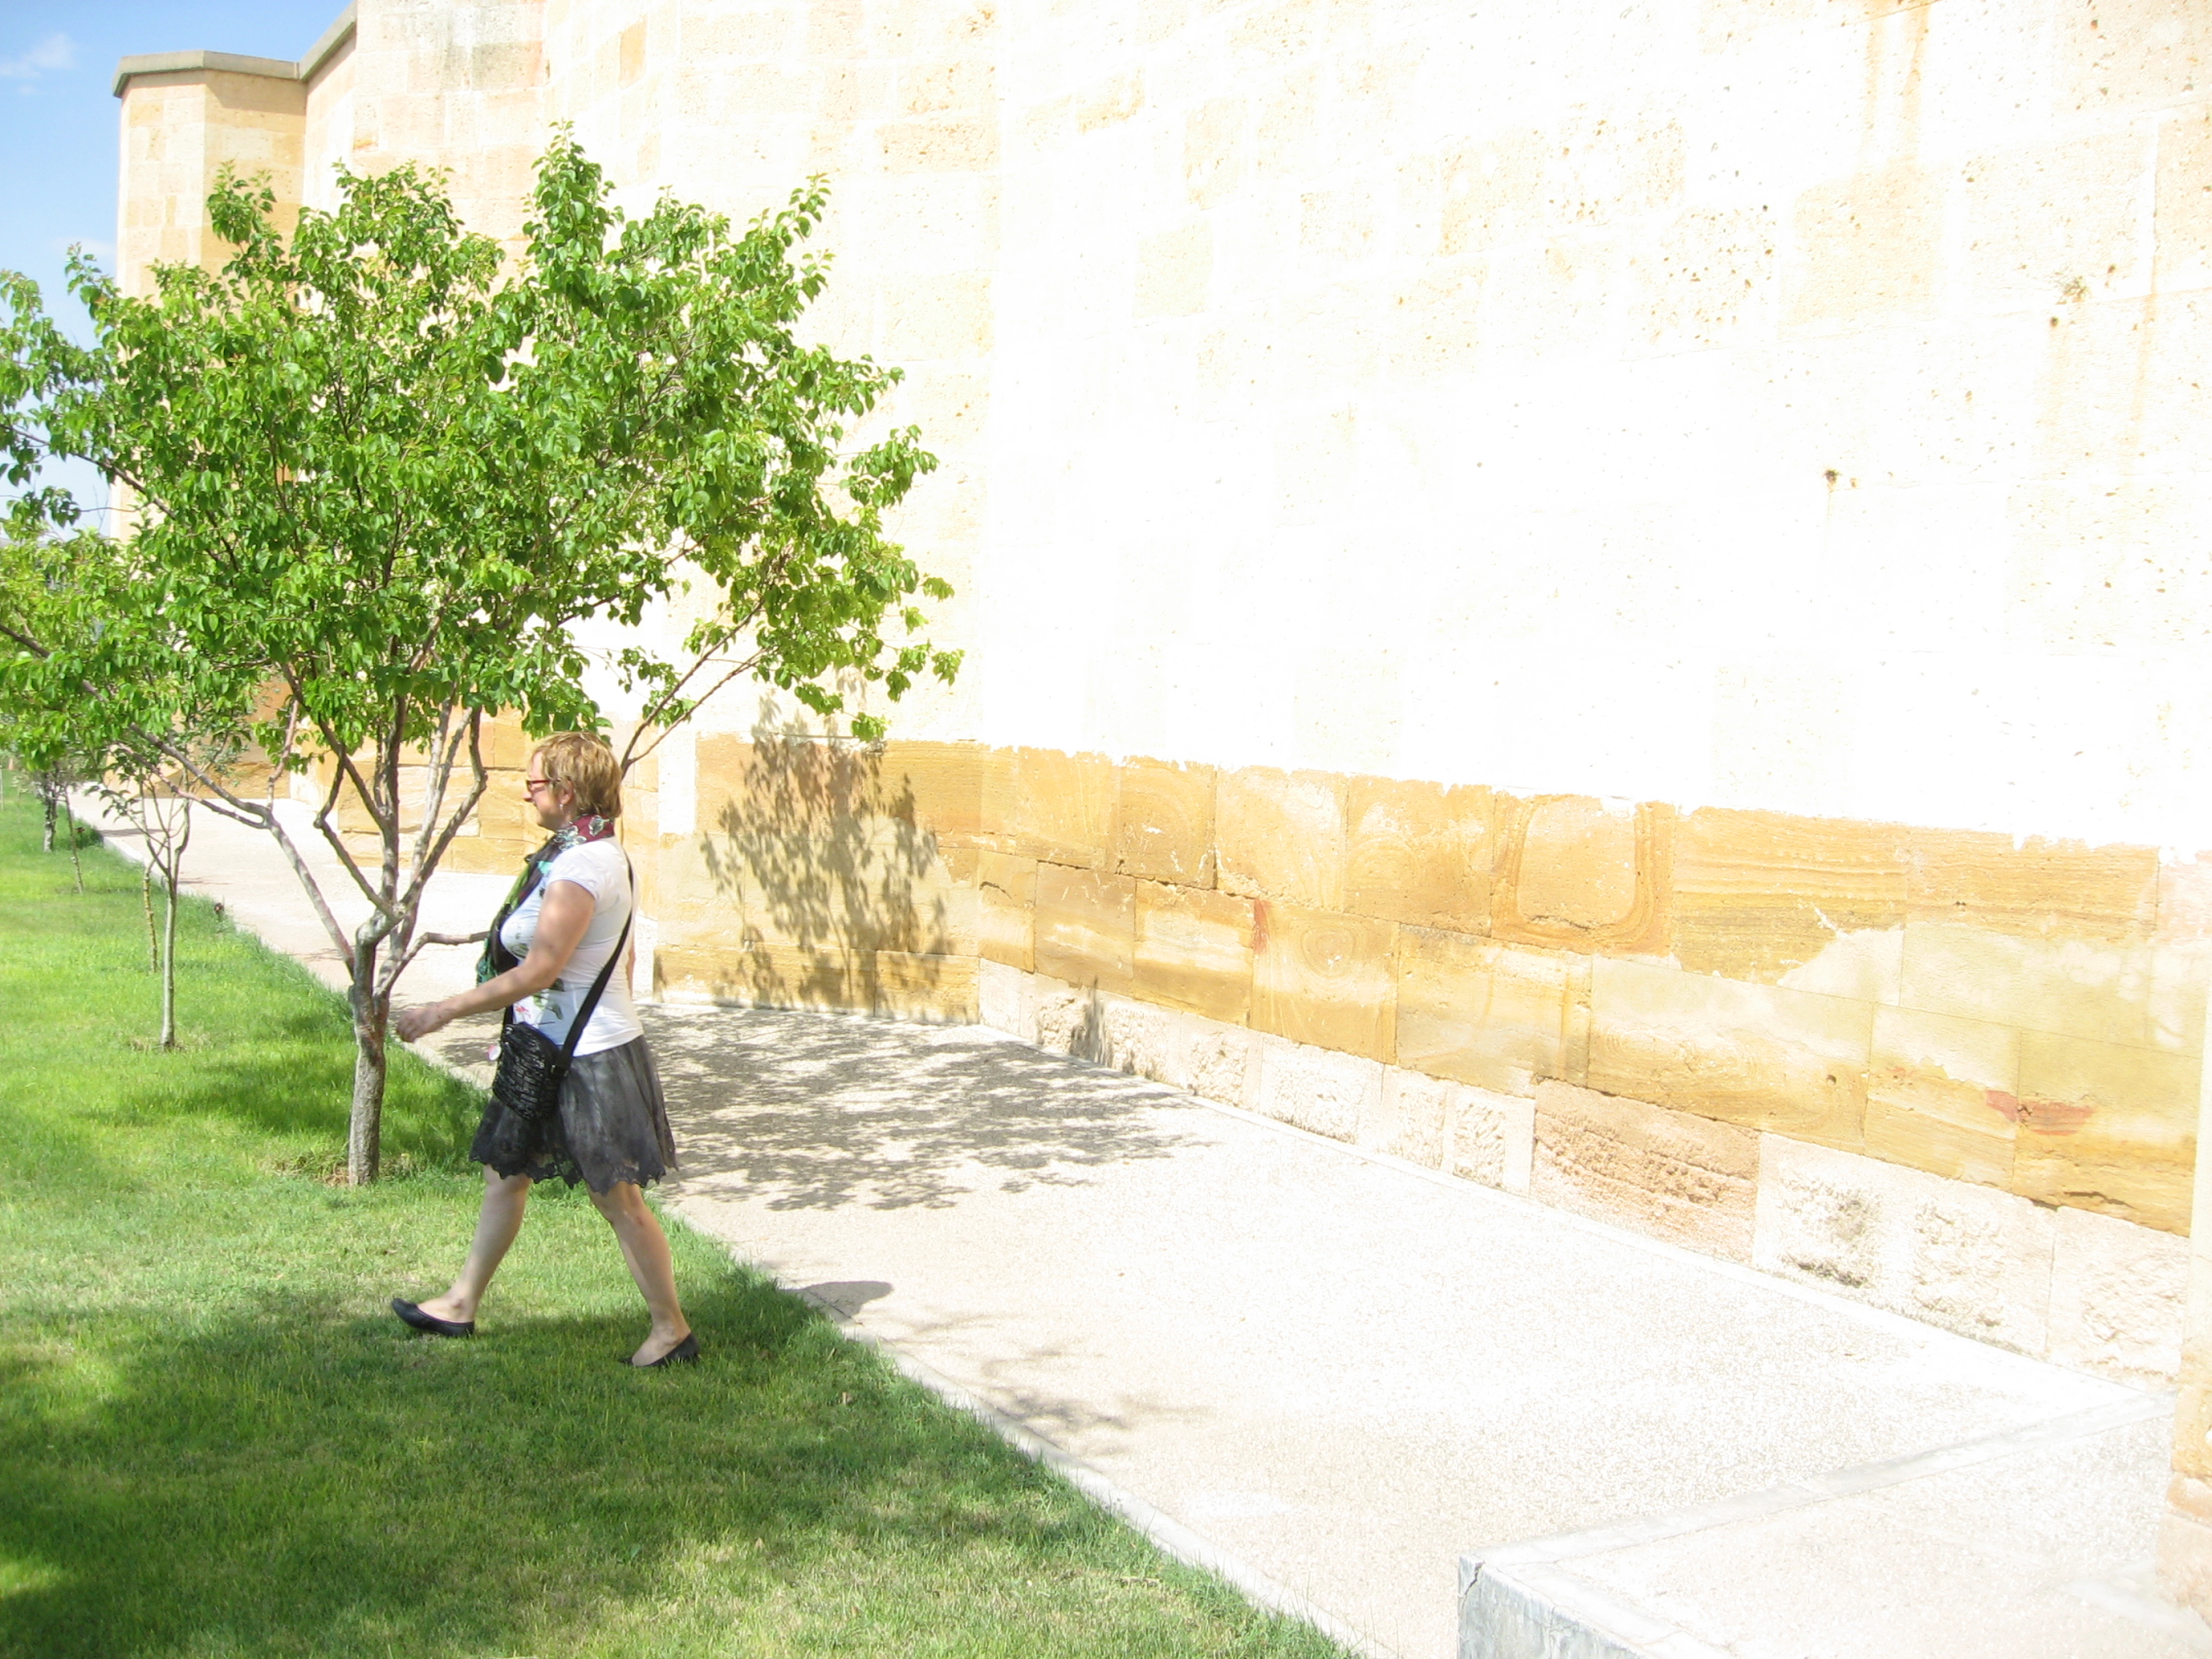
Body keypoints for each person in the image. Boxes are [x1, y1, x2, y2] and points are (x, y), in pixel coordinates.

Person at [390, 731, 696, 1368]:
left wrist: (442, 1011)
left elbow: (540, 968)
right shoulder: (582, 854)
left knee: (616, 1197)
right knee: (506, 1173)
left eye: (534, 784)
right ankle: (460, 1303)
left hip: (587, 1056)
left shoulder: (583, 867)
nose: (526, 794)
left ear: (566, 791)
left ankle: (671, 1330)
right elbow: (620, 962)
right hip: (544, 1045)